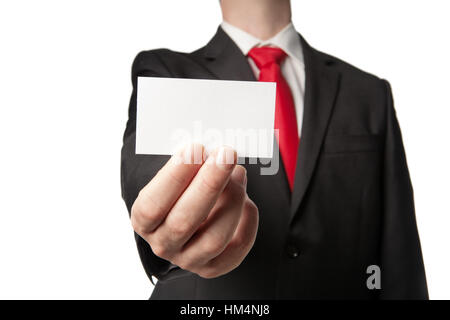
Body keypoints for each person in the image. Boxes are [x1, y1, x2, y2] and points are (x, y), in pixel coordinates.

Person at [121, 0, 428, 299]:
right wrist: (171, 223)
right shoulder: (168, 72)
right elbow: (147, 175)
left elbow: (400, 254)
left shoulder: (368, 93)